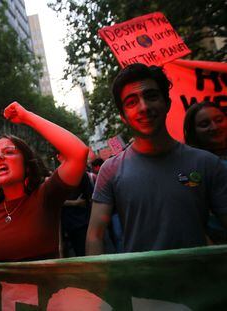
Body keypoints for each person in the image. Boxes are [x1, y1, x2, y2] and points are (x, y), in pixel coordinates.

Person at [86, 64, 227, 255]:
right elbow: (95, 236)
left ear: (167, 103)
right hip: (140, 283)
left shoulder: (207, 164)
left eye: (151, 96)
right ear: (123, 116)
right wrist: (99, 283)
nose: (144, 107)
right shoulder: (110, 170)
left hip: (201, 281)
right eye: (131, 102)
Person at [0, 101, 88, 272]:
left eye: (9, 152)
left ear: (27, 166)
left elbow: (78, 153)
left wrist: (27, 117)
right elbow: (1, 246)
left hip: (48, 297)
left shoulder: (46, 195)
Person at [184, 101, 227, 243]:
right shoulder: (188, 167)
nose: (214, 127)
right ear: (193, 130)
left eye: (219, 120)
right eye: (204, 124)